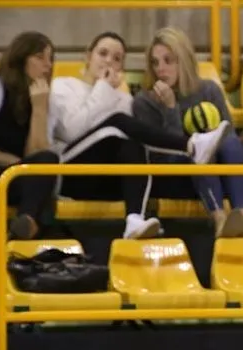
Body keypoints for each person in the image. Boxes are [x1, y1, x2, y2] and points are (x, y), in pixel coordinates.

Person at [50, 31, 231, 239]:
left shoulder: (124, 99)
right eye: (103, 53)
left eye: (117, 58)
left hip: (107, 181)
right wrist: (103, 87)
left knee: (134, 146)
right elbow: (73, 131)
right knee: (118, 121)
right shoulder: (63, 85)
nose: (109, 61)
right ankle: (191, 145)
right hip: (70, 171)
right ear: (88, 56)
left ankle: (134, 219)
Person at [133, 27, 243, 238]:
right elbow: (167, 153)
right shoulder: (144, 101)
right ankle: (220, 221)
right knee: (200, 150)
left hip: (214, 168)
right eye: (155, 62)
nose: (161, 69)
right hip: (172, 170)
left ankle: (242, 219)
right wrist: (170, 108)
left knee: (229, 142)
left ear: (184, 61)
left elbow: (228, 135)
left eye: (168, 61)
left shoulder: (208, 90)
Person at [0, 31, 61, 240]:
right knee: (43, 199)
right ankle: (28, 229)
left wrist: (39, 109)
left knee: (49, 160)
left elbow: (37, 156)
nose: (47, 65)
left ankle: (25, 222)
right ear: (20, 60)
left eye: (50, 59)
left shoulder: (44, 100)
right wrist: (12, 161)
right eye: (39, 57)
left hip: (15, 177)